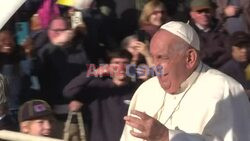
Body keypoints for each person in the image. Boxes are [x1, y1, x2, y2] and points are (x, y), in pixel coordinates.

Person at [120, 21, 250, 141]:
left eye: (162, 58)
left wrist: (165, 136)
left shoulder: (225, 90)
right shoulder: (146, 90)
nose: (155, 66)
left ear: (189, 58)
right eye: (153, 57)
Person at [63, 49, 141, 141]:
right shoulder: (98, 87)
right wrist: (93, 73)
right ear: (108, 66)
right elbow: (68, 92)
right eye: (116, 63)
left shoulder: (138, 89)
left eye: (125, 63)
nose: (121, 67)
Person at [189, 0, 231, 68]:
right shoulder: (188, 34)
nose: (204, 14)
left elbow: (229, 51)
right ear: (192, 15)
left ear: (212, 12)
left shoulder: (221, 29)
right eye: (199, 12)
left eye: (207, 11)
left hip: (224, 69)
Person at [219, 31, 250, 98]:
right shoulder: (225, 72)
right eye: (240, 47)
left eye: (247, 46)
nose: (244, 50)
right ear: (231, 49)